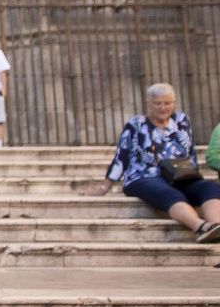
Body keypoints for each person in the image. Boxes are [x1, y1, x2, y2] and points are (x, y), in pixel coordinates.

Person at [92, 83, 220, 242]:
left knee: (210, 188)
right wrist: (106, 186)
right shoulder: (136, 124)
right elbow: (121, 155)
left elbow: (190, 151)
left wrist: (194, 176)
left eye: (167, 103)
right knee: (170, 194)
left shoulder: (181, 121)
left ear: (174, 103)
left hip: (178, 175)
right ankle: (201, 227)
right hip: (143, 176)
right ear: (148, 103)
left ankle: (216, 226)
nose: (163, 107)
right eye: (157, 103)